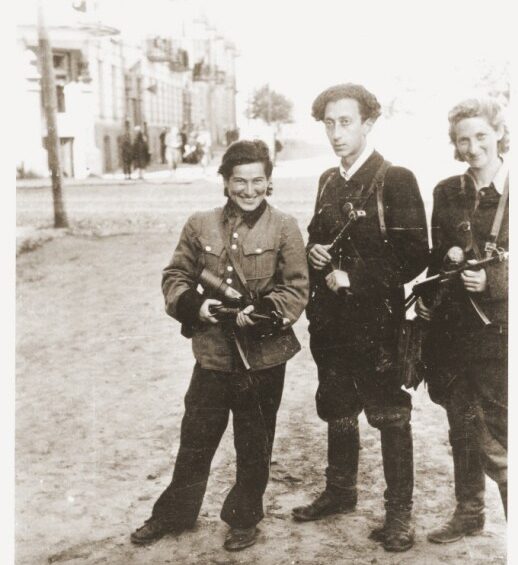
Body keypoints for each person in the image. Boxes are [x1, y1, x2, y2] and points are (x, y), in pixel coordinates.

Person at [130, 140, 309, 551]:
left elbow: (297, 289)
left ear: (269, 182)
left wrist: (261, 313)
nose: (249, 191)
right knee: (196, 438)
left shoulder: (285, 226)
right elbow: (175, 275)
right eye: (240, 181)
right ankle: (175, 513)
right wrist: (198, 306)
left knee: (254, 442)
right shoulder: (200, 224)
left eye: (258, 181)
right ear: (226, 183)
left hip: (263, 357)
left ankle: (245, 517)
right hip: (212, 354)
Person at [291, 83, 428, 552]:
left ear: (368, 124)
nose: (335, 133)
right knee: (338, 405)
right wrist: (316, 251)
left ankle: (399, 514)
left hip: (377, 321)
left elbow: (416, 254)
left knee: (390, 414)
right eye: (329, 123)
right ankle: (340, 490)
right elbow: (315, 235)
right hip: (331, 322)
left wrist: (355, 276)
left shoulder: (396, 178)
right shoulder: (329, 180)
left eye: (345, 122)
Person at [416, 97, 509, 543]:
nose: (473, 148)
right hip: (454, 330)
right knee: (460, 424)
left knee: (500, 428)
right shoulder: (446, 192)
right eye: (463, 139)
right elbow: (437, 259)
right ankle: (469, 512)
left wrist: (493, 281)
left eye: (481, 137)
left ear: (499, 134)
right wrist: (444, 264)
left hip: (502, 334)